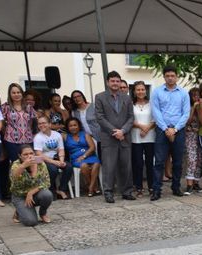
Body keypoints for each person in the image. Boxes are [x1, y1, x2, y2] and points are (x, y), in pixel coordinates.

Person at [94, 70, 135, 202]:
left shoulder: (127, 97)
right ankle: (108, 192)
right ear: (107, 82)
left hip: (124, 136)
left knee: (126, 166)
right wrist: (114, 131)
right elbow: (100, 117)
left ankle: (127, 191)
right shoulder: (100, 97)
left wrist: (122, 131)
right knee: (109, 166)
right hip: (109, 138)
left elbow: (131, 117)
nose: (115, 83)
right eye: (113, 81)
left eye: (117, 81)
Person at [150, 65, 190, 200]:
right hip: (162, 130)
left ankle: (176, 187)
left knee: (178, 161)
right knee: (159, 161)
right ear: (164, 77)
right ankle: (156, 190)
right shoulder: (157, 92)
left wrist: (176, 129)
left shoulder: (183, 93)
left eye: (173, 76)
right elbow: (156, 112)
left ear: (177, 76)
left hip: (178, 130)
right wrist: (166, 129)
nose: (170, 78)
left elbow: (186, 113)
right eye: (167, 76)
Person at [10, 144, 53, 226]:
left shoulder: (40, 163)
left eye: (31, 153)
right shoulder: (16, 165)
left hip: (35, 194)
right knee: (31, 222)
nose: (29, 156)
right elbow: (15, 183)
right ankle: (19, 210)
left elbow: (46, 182)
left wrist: (31, 192)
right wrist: (23, 166)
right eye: (25, 154)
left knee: (47, 194)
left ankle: (42, 213)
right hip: (20, 196)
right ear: (20, 156)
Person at [33, 115, 71, 200]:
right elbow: (39, 154)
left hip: (56, 158)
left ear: (50, 124)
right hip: (44, 160)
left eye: (44, 123)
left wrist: (61, 161)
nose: (41, 125)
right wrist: (54, 162)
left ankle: (62, 189)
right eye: (39, 124)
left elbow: (61, 149)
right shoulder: (38, 137)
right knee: (53, 169)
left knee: (68, 167)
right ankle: (51, 189)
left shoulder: (57, 135)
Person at [63, 117, 101, 197]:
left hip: (89, 155)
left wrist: (83, 156)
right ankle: (94, 186)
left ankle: (90, 187)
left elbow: (92, 147)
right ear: (67, 127)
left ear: (79, 126)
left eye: (75, 125)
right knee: (84, 166)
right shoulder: (65, 136)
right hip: (76, 159)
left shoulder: (85, 134)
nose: (73, 127)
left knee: (96, 164)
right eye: (71, 126)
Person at [1, 83, 36, 163]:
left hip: (27, 140)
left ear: (22, 93)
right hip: (12, 140)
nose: (16, 94)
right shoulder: (5, 107)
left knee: (29, 162)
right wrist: (7, 134)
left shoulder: (28, 107)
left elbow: (30, 122)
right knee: (16, 163)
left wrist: (27, 132)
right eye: (13, 93)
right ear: (10, 94)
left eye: (18, 92)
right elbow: (2, 123)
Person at [131, 82, 155, 197]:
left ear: (146, 91)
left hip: (150, 138)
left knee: (150, 163)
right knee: (138, 164)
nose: (140, 92)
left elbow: (155, 119)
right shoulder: (131, 105)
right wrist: (141, 127)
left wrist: (147, 129)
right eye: (138, 90)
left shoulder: (152, 104)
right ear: (134, 92)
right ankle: (139, 187)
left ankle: (151, 186)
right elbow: (129, 120)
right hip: (136, 138)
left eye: (142, 89)